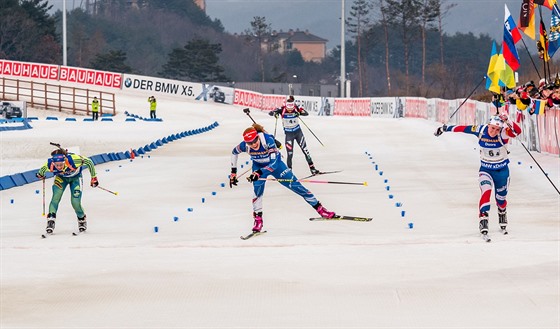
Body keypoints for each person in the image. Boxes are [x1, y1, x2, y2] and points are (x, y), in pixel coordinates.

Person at [229, 123, 335, 233]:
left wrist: (259, 173)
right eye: (249, 143)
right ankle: (258, 220)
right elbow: (234, 152)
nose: (253, 144)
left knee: (296, 186)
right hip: (259, 167)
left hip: (276, 166)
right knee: (257, 192)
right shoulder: (244, 145)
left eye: (255, 141)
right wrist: (233, 173)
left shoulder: (268, 140)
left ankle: (321, 210)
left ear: (257, 137)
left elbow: (274, 163)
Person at [434, 114, 522, 236]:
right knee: (486, 192)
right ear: (488, 125)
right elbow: (463, 128)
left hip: (502, 171)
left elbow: (517, 131)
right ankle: (483, 219)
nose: (494, 132)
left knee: (500, 199)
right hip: (486, 170)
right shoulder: (480, 130)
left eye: (497, 129)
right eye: (492, 128)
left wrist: (508, 121)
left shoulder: (503, 133)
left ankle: (502, 211)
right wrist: (445, 129)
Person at [35, 149, 98, 234]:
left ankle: (81, 219)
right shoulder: (49, 164)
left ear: (65, 161)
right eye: (57, 165)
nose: (59, 167)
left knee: (75, 202)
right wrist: (40, 175)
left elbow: (89, 162)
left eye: (61, 164)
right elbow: (41, 172)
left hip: (75, 178)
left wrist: (94, 178)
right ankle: (50, 221)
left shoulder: (74, 160)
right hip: (61, 179)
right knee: (56, 198)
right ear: (53, 163)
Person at [268, 96, 320, 175]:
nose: (290, 110)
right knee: (290, 154)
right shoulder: (282, 109)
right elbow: (271, 112)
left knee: (305, 151)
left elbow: (306, 113)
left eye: (291, 108)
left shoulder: (296, 107)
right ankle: (289, 173)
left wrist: (299, 113)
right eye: (288, 108)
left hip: (298, 133)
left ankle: (313, 169)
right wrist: (275, 113)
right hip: (289, 135)